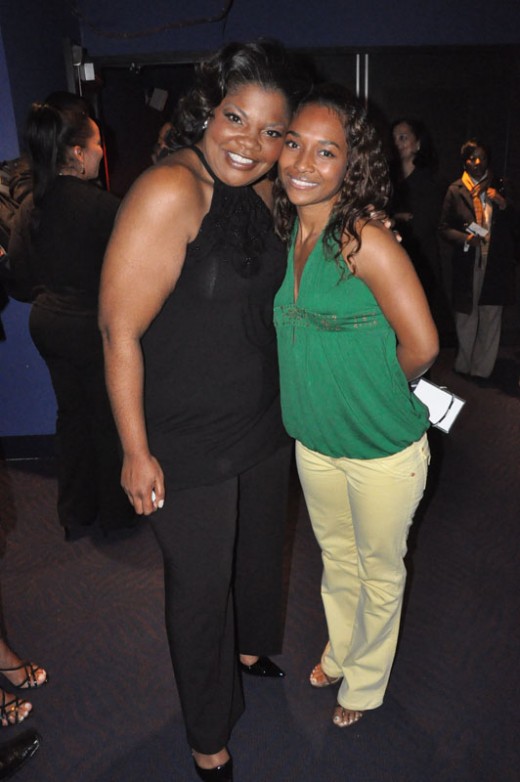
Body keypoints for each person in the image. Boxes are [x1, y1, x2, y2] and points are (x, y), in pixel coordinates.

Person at [99, 41, 305, 781]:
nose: (250, 143)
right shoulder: (170, 190)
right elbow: (118, 331)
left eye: (272, 131)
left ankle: (249, 652)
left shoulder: (265, 187)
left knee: (257, 552)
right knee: (199, 587)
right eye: (235, 118)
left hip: (261, 419)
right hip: (187, 436)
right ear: (207, 112)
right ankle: (207, 736)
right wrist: (135, 451)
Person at [273, 84, 438, 728]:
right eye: (294, 144)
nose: (303, 163)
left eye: (325, 151)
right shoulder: (290, 229)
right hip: (314, 444)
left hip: (382, 449)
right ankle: (341, 651)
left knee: (379, 571)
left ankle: (365, 683)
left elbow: (422, 345)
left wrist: (375, 392)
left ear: (352, 163)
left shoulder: (363, 239)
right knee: (336, 561)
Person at [8, 94, 136, 538]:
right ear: (78, 153)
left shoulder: (31, 207)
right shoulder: (106, 209)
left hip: (48, 325)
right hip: (92, 329)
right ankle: (117, 517)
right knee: (105, 420)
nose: (103, 151)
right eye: (97, 144)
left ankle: (75, 513)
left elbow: (20, 282)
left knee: (71, 418)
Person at [439, 139, 517, 380]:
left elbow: (515, 222)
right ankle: (464, 365)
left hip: (495, 262)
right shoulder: (455, 190)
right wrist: (466, 238)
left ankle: (482, 370)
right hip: (467, 261)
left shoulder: (500, 186)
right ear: (464, 162)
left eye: (482, 157)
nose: (477, 162)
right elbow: (443, 228)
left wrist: (503, 204)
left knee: (491, 314)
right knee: (466, 315)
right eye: (472, 158)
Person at [390, 118, 445, 311]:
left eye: (403, 138)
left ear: (418, 144)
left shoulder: (429, 182)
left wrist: (392, 220)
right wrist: (397, 218)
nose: (397, 143)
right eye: (394, 138)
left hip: (420, 263)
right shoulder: (389, 181)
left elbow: (422, 226)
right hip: (391, 263)